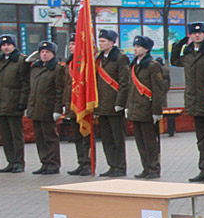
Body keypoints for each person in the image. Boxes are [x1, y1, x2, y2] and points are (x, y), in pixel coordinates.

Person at [171, 22, 204, 182]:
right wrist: (179, 43)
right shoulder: (188, 53)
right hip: (194, 100)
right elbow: (174, 61)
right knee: (201, 139)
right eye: (193, 34)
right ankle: (203, 169)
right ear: (190, 36)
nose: (197, 35)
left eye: (200, 33)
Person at [126, 35, 168, 179]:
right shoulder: (134, 65)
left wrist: (157, 111)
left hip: (147, 109)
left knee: (150, 141)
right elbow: (130, 89)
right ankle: (145, 167)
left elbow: (158, 90)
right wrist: (127, 107)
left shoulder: (152, 65)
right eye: (135, 46)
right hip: (136, 109)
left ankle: (154, 168)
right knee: (140, 141)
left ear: (146, 49)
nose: (136, 49)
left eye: (139, 47)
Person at [26, 40, 66, 175]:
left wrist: (57, 109)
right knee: (40, 138)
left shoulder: (57, 69)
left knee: (50, 138)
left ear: (53, 54)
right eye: (42, 52)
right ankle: (44, 163)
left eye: (47, 52)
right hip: (36, 107)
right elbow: (31, 88)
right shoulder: (35, 68)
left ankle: (53, 164)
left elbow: (59, 90)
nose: (44, 54)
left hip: (48, 108)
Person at [94, 29, 130, 177]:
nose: (100, 44)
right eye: (100, 41)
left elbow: (124, 82)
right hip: (102, 104)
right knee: (107, 138)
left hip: (114, 104)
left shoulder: (120, 58)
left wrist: (120, 102)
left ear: (112, 42)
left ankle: (120, 166)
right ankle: (112, 165)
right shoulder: (99, 59)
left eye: (103, 41)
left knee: (117, 138)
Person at [0, 35, 29, 173]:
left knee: (16, 135)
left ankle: (19, 162)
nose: (6, 47)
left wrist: (22, 102)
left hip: (14, 101)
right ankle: (10, 161)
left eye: (8, 45)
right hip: (1, 101)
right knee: (6, 135)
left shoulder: (20, 60)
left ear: (14, 45)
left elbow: (25, 83)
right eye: (3, 45)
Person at [63, 34, 93, 176]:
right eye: (70, 44)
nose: (71, 47)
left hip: (83, 105)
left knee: (85, 136)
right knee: (77, 137)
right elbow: (66, 86)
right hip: (72, 104)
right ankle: (81, 162)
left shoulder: (86, 63)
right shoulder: (69, 63)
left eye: (74, 44)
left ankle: (88, 163)